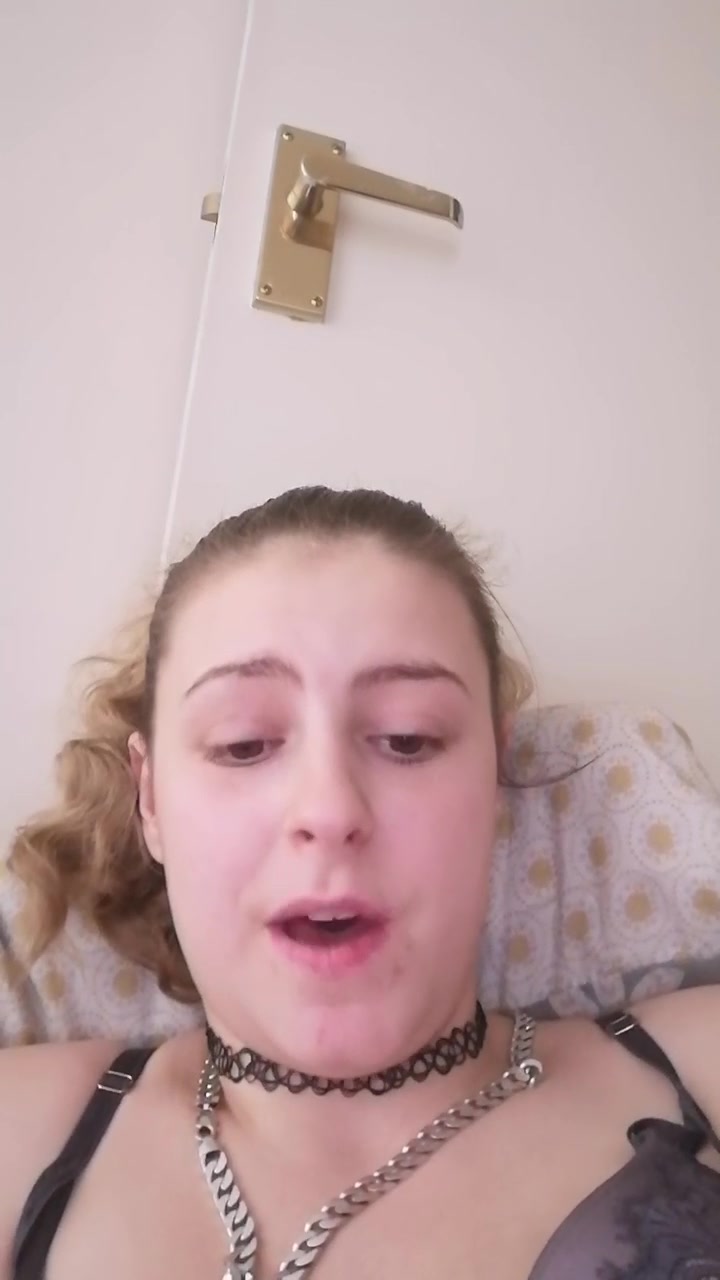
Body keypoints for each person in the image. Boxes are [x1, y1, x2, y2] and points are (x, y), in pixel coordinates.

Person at [1, 485, 719, 1280]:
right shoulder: (18, 1139)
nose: (330, 809)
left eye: (408, 739)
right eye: (243, 745)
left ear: (494, 776)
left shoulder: (698, 1066)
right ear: (151, 799)